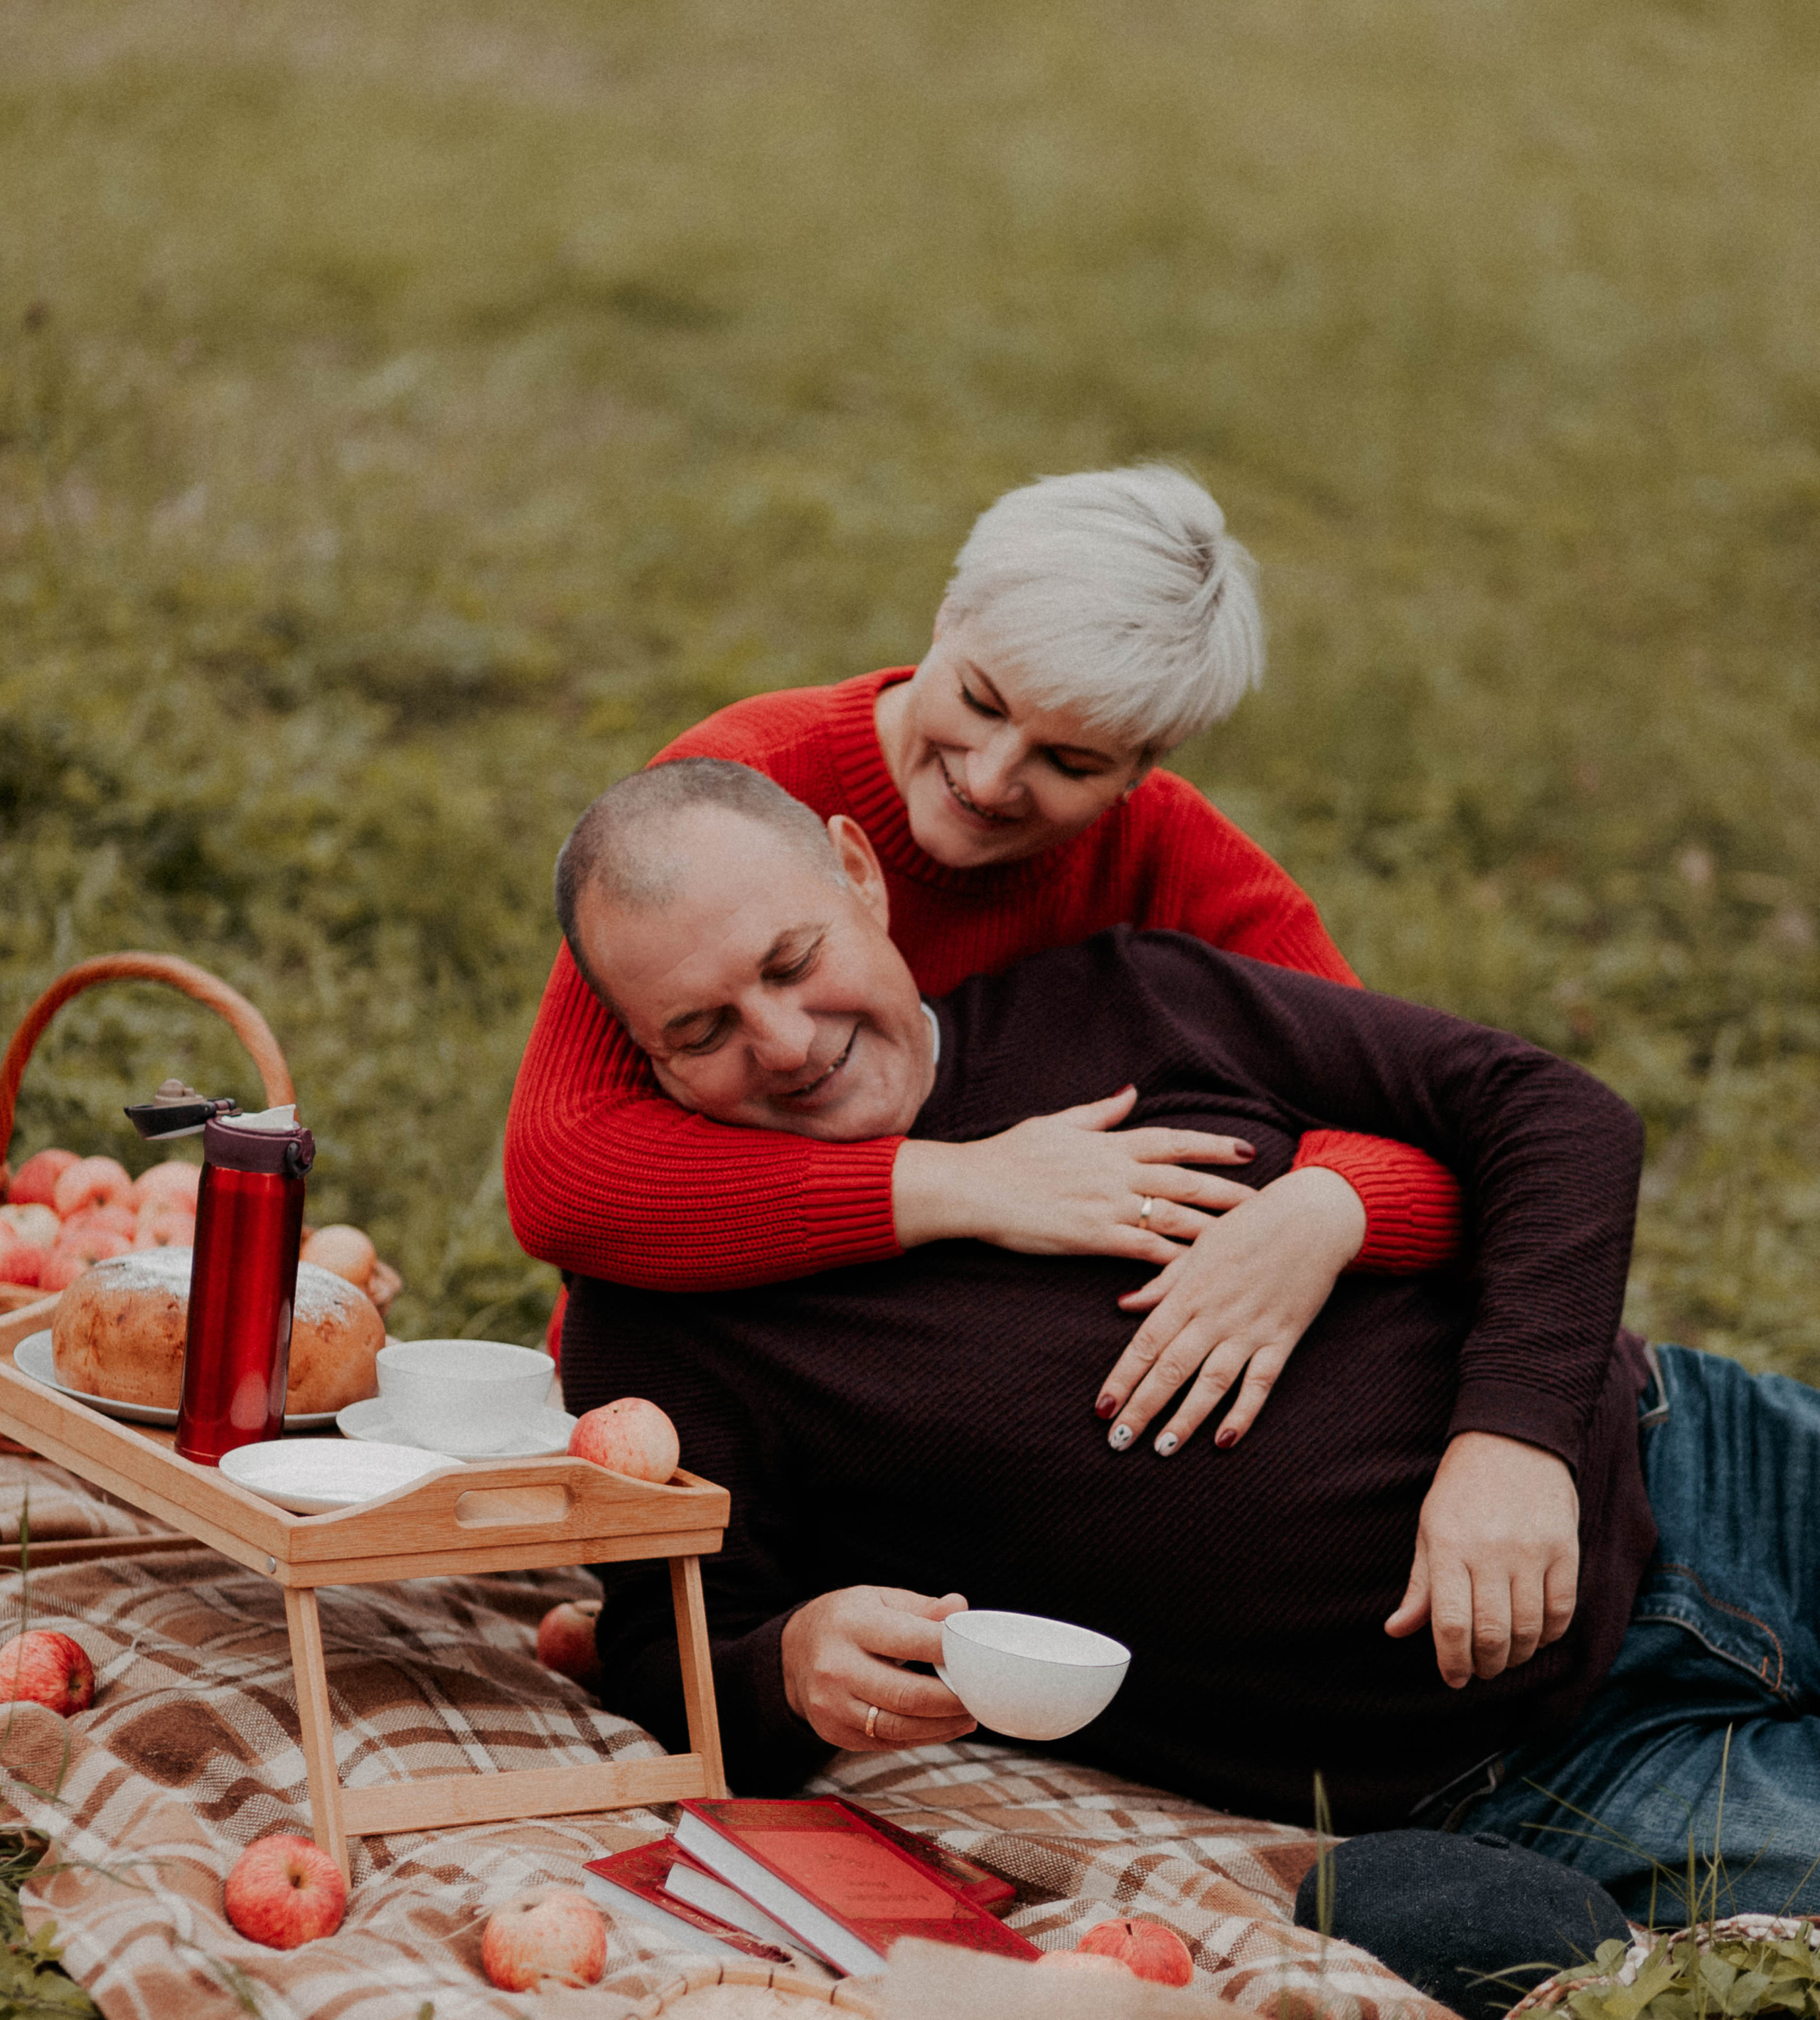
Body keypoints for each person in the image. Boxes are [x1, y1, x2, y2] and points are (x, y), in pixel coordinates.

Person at [542, 758, 1820, 1928]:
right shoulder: (665, 1314)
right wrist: (790, 1665)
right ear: (645, 1057)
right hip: (1526, 1767)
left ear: (860, 878)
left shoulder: (1132, 997)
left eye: (789, 960)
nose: (784, 1041)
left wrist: (1515, 1435)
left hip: (1704, 1468)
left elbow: (1550, 1111)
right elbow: (666, 1661)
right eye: (701, 1032)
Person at [507, 466, 1464, 1458]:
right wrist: (967, 1186)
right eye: (979, 699)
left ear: (1145, 766)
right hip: (706, 1384)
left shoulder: (1179, 863)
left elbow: (1440, 1128)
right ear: (946, 617)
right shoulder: (735, 797)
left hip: (972, 1403)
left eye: (1072, 763)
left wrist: (1322, 1211)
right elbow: (561, 1172)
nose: (991, 778)